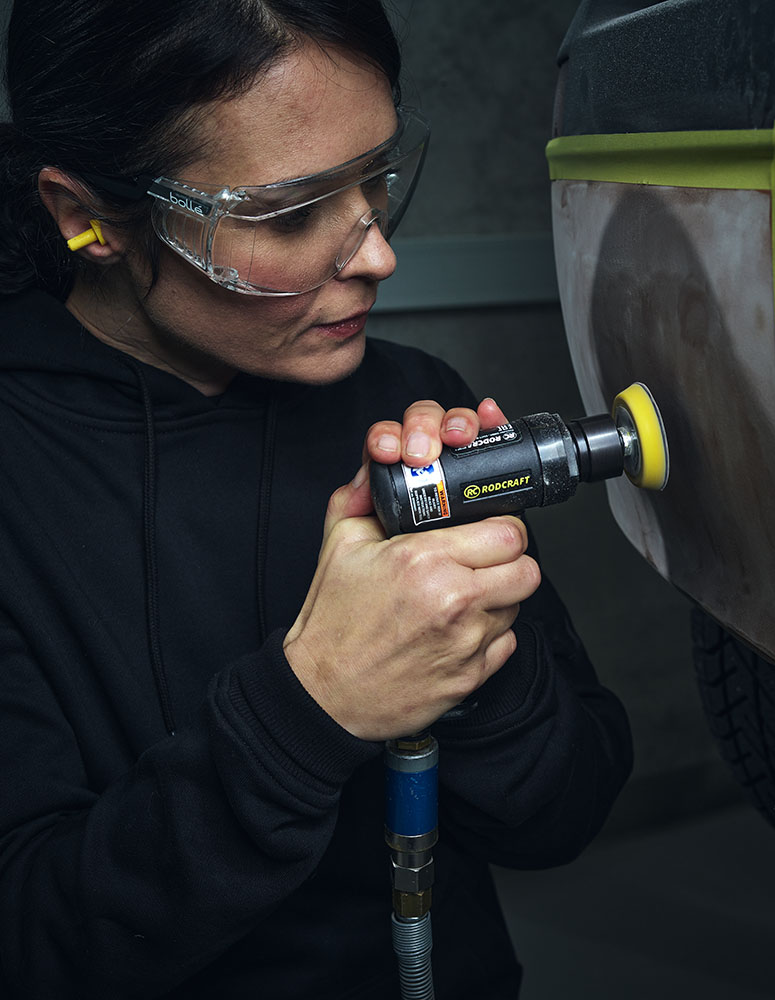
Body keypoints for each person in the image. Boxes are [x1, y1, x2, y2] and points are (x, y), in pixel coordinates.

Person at [0, 1, 632, 997]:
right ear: (87, 217)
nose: (377, 256)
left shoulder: (410, 406)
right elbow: (34, 943)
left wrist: (472, 655)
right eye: (291, 214)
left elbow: (562, 815)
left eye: (375, 178)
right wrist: (311, 706)